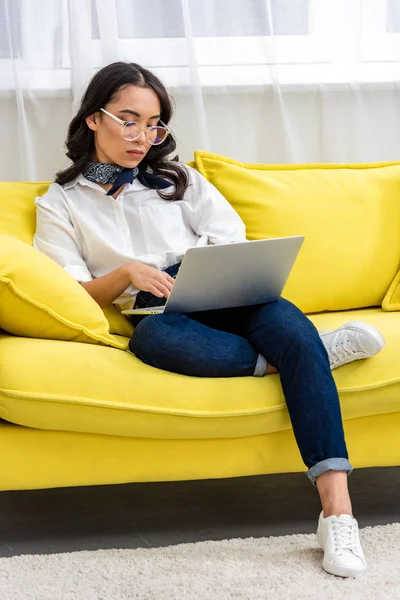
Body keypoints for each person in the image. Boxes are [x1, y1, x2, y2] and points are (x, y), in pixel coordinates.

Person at [34, 61, 385, 578]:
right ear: (93, 118)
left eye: (154, 125)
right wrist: (128, 273)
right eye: (128, 120)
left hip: (231, 294)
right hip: (159, 315)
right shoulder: (60, 203)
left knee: (287, 323)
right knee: (153, 339)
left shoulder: (181, 181)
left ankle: (338, 514)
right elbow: (71, 291)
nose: (143, 136)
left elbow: (230, 236)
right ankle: (309, 354)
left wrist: (197, 270)